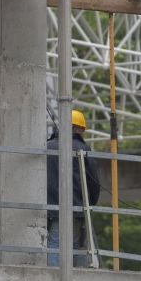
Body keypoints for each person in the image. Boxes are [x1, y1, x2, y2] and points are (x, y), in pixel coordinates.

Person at [45, 109, 101, 267]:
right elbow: (93, 181)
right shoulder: (81, 148)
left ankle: (62, 279)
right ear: (77, 129)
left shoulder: (47, 146)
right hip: (74, 205)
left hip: (49, 206)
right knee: (70, 244)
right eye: (82, 130)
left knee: (56, 243)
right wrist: (90, 203)